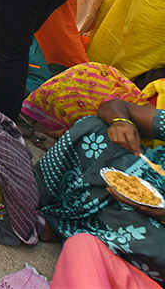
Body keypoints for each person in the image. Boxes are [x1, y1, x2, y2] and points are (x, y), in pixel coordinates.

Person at [36, 98, 165, 279]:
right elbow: (114, 106)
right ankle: (40, 199)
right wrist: (121, 122)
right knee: (93, 127)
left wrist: (161, 213)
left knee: (160, 250)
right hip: (132, 169)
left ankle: (65, 224)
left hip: (155, 222)